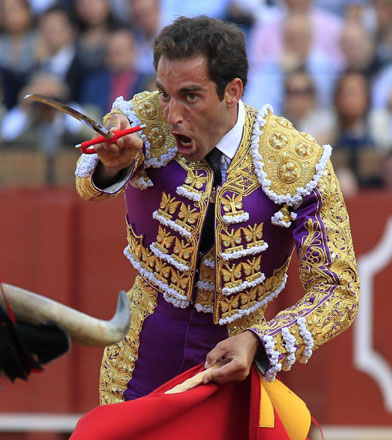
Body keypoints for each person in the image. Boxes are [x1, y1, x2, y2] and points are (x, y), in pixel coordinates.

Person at [75, 15, 359, 405]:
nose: (172, 113)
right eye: (164, 93)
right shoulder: (142, 120)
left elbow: (338, 290)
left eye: (190, 96)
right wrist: (111, 163)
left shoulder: (297, 161)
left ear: (233, 91)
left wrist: (262, 341)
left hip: (233, 363)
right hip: (139, 360)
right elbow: (89, 187)